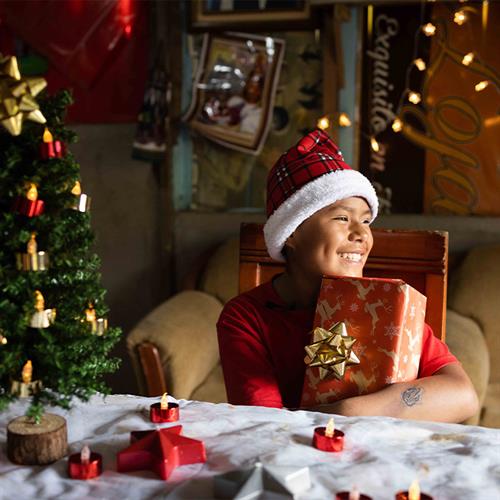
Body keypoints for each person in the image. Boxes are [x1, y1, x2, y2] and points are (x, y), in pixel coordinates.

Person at [217, 129, 478, 423]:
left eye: (366, 220)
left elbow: (464, 397)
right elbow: (267, 427)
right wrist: (387, 409)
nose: (361, 234)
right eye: (342, 218)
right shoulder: (246, 317)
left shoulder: (385, 307)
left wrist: (346, 412)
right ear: (291, 233)